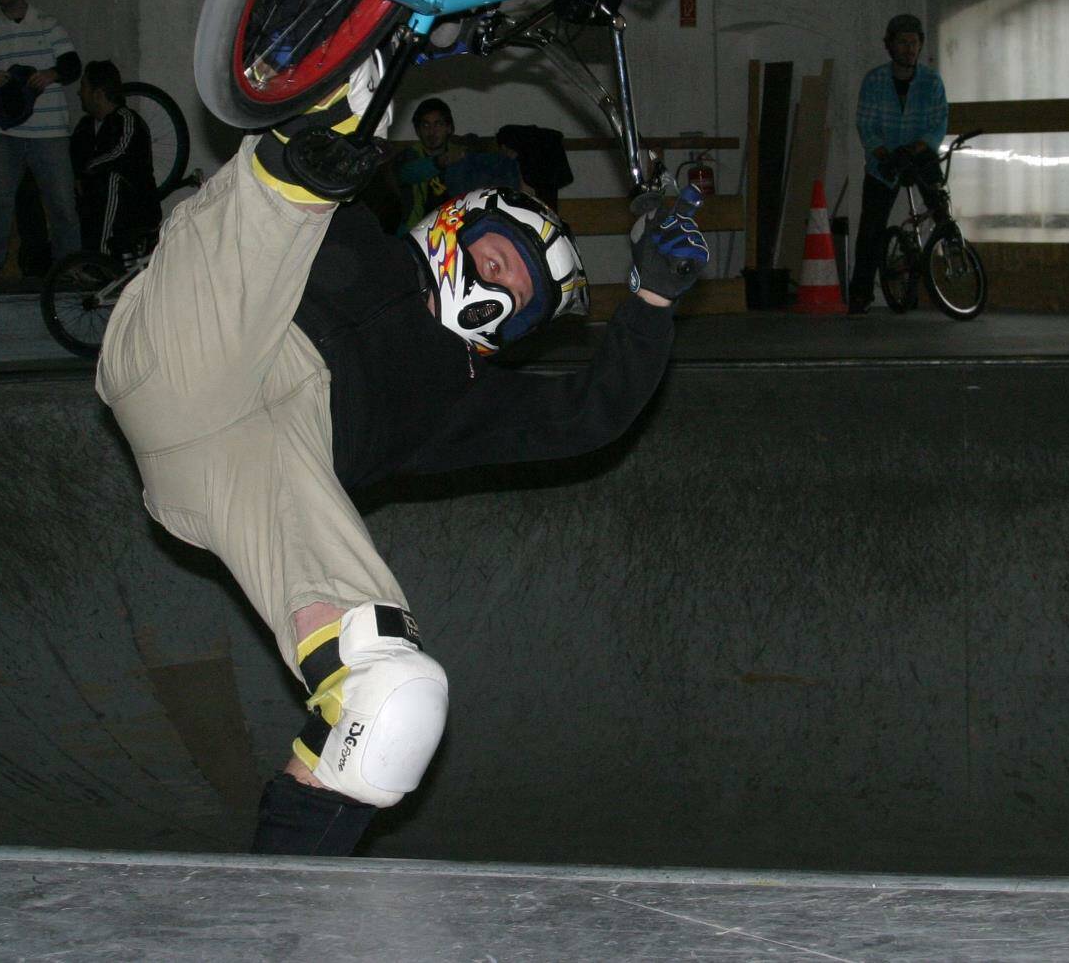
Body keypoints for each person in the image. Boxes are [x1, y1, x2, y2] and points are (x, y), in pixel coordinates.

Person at [97, 57, 710, 857]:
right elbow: (303, 217)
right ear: (456, 228)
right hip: (204, 349)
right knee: (320, 166)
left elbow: (588, 415)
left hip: (254, 468)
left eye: (518, 300)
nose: (497, 289)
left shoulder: (461, 397)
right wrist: (340, 137)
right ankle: (327, 101)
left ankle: (282, 905)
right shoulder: (360, 231)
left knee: (393, 699)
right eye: (498, 260)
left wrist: (653, 302)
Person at [0, 0, 83, 282]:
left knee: (61, 202)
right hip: (4, 133)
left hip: (49, 132)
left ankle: (70, 266)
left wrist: (51, 74)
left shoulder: (48, 25)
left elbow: (72, 65)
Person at [849, 12, 950, 315]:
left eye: (913, 43)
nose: (908, 49)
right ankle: (860, 294)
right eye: (902, 42)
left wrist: (914, 149)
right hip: (884, 162)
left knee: (941, 211)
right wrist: (885, 154)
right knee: (871, 228)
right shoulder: (875, 81)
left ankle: (951, 260)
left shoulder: (931, 81)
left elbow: (937, 124)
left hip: (919, 155)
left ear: (920, 45)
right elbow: (866, 125)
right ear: (890, 45)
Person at [70, 60, 161, 257]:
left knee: (111, 179)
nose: (79, 92)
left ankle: (102, 260)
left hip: (134, 205)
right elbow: (74, 159)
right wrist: (79, 176)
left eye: (83, 86)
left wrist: (88, 170)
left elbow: (120, 153)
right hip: (95, 205)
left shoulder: (126, 119)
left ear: (98, 94)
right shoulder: (84, 126)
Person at [393, 97, 519, 231]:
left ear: (449, 128)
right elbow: (406, 173)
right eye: (425, 125)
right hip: (418, 229)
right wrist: (441, 161)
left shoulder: (461, 152)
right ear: (418, 131)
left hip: (456, 225)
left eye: (438, 124)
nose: (431, 131)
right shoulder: (410, 155)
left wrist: (507, 156)